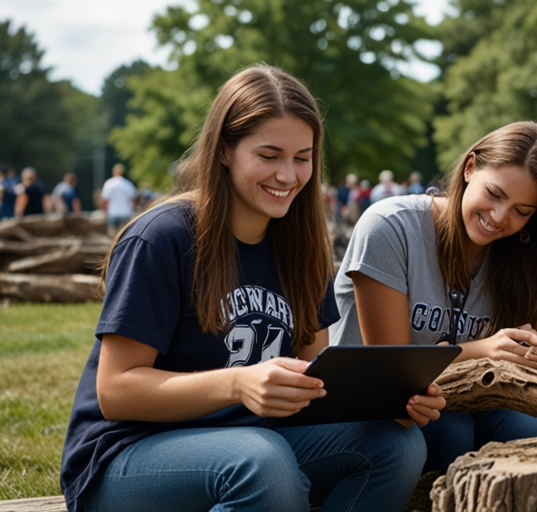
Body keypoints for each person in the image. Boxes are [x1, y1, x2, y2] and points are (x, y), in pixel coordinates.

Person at [60, 64, 442, 512]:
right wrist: (238, 384)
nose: (287, 175)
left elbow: (310, 373)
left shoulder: (303, 246)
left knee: (396, 446)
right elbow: (117, 390)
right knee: (263, 463)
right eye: (269, 155)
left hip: (256, 436)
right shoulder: (164, 237)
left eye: (302, 157)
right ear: (224, 150)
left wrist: (388, 401)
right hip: (127, 455)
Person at [330, 121, 537, 473]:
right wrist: (485, 350)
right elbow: (391, 375)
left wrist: (525, 349)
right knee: (451, 430)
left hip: (460, 399)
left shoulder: (521, 257)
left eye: (522, 212)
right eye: (494, 193)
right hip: (371, 411)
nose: (499, 218)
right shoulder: (391, 226)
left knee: (522, 425)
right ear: (470, 167)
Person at [100, 163, 137, 235]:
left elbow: (105, 200)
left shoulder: (109, 183)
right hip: (126, 212)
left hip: (113, 213)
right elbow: (134, 200)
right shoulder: (128, 184)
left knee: (112, 235)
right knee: (124, 235)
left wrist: (104, 212)